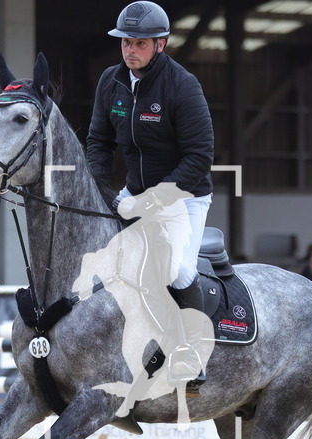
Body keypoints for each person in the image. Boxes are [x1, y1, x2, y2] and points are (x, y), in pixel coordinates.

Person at [86, 1, 215, 389]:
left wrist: (152, 202)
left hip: (183, 198)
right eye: (126, 42)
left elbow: (200, 156)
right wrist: (100, 191)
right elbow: (98, 142)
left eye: (140, 43)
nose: (130, 50)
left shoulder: (182, 85)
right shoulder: (111, 81)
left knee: (178, 270)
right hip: (132, 193)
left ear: (161, 44)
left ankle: (192, 352)